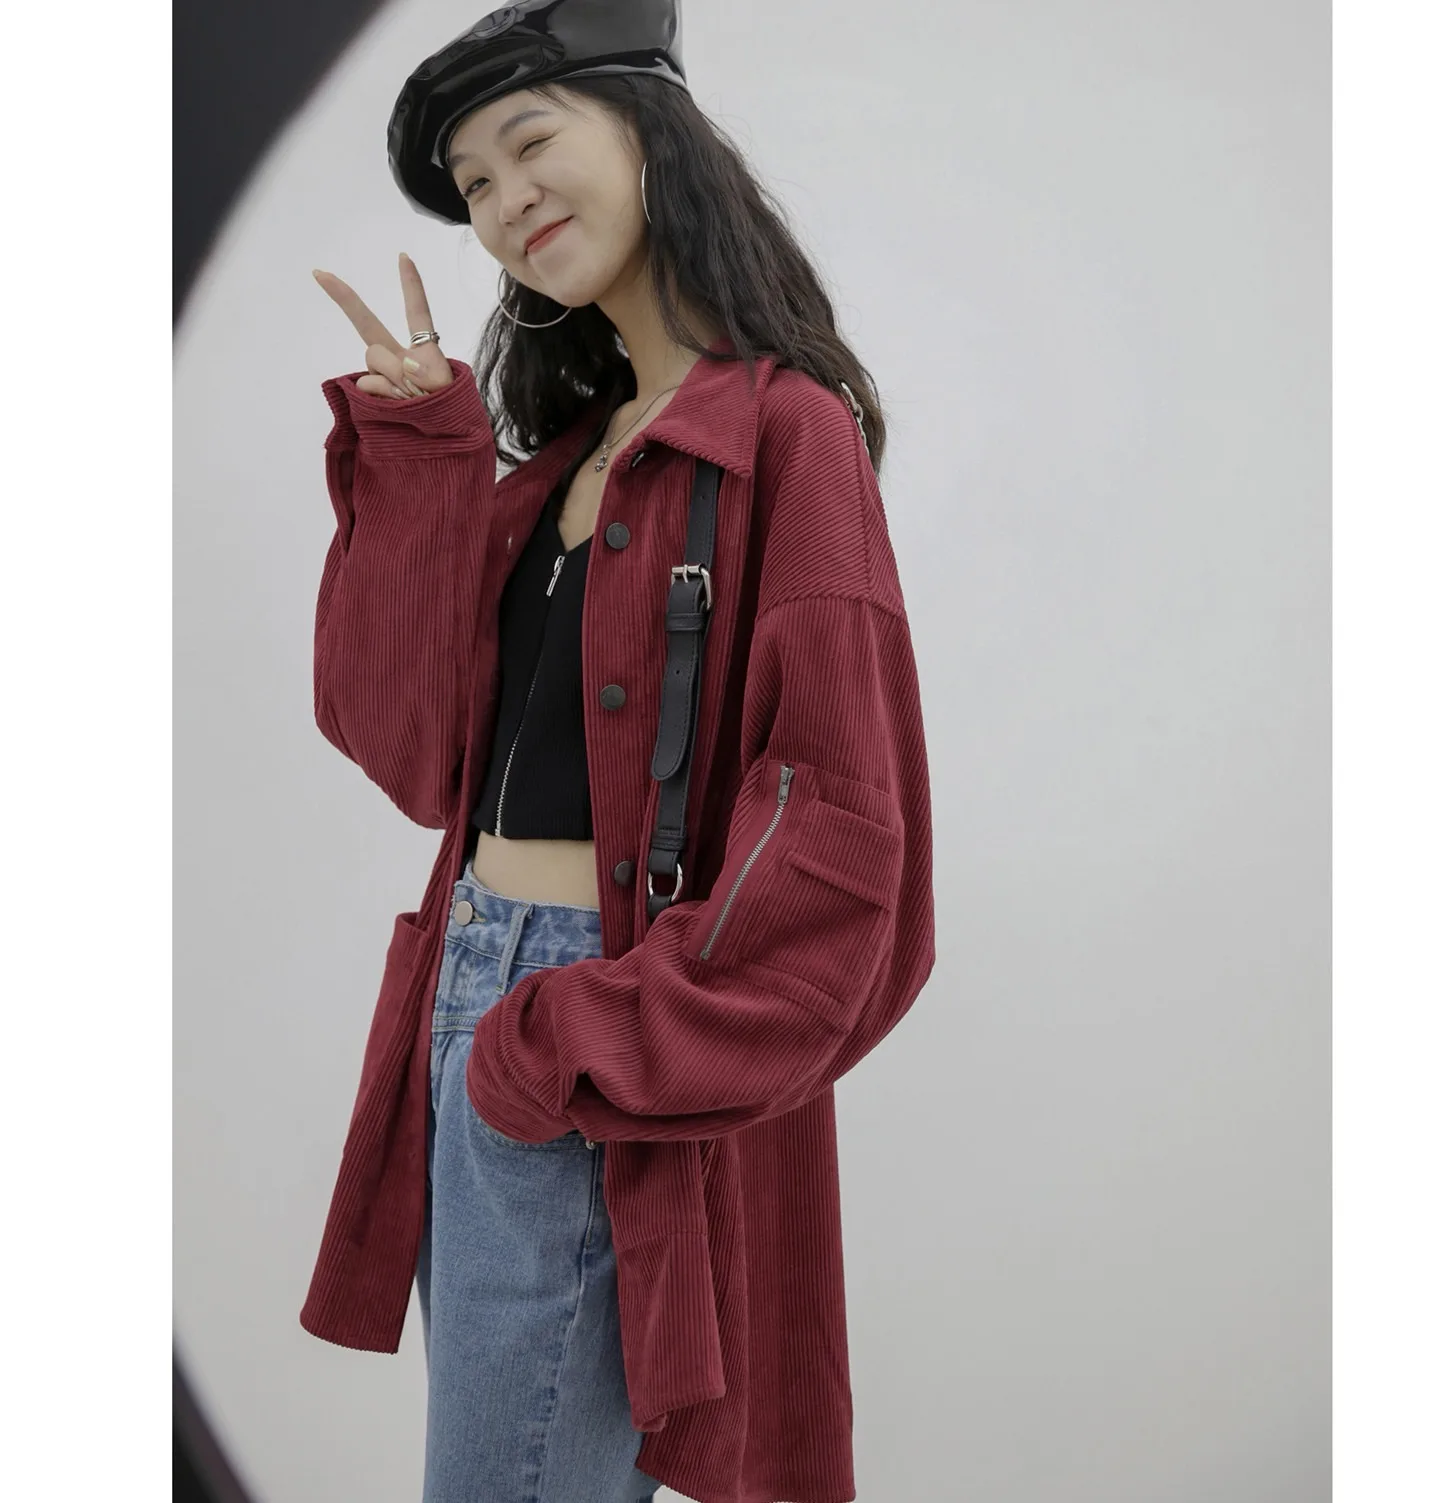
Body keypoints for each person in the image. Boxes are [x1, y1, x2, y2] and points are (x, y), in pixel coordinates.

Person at [302, 4, 935, 1502]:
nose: (504, 200)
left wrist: (572, 1035)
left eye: (531, 142)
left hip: (588, 1035)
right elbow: (410, 751)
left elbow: (840, 834)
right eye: (473, 183)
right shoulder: (566, 461)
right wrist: (425, 458)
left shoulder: (785, 434)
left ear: (652, 131)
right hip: (470, 995)